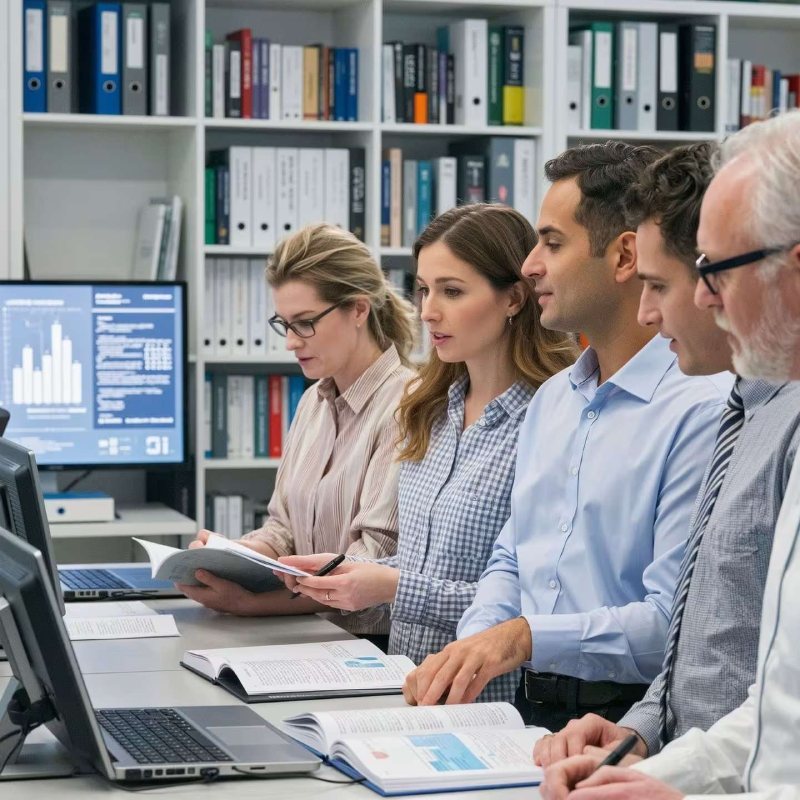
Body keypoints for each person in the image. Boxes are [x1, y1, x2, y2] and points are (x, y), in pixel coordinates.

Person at [401, 141, 731, 729]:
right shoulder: (554, 400)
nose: (530, 265)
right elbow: (513, 555)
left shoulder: (697, 410)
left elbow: (672, 624)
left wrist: (524, 637)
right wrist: (472, 650)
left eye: (552, 243)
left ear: (625, 255)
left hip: (626, 720)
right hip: (521, 708)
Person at [540, 110, 800, 800]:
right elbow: (768, 702)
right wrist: (645, 745)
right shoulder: (748, 402)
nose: (703, 300)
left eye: (716, 272)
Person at [279, 204, 578, 702]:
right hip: (407, 691)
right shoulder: (428, 410)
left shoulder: (548, 421)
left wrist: (391, 586)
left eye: (452, 291)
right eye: (423, 289)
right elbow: (425, 557)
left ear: (514, 298)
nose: (428, 311)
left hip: (494, 706)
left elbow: (540, 605)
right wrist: (351, 572)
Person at [178, 223, 417, 648]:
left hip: (364, 646)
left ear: (359, 310)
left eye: (304, 323)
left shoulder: (406, 406)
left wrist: (254, 604)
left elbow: (371, 564)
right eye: (283, 323)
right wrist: (231, 555)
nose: (290, 342)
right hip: (301, 633)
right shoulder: (313, 403)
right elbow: (283, 528)